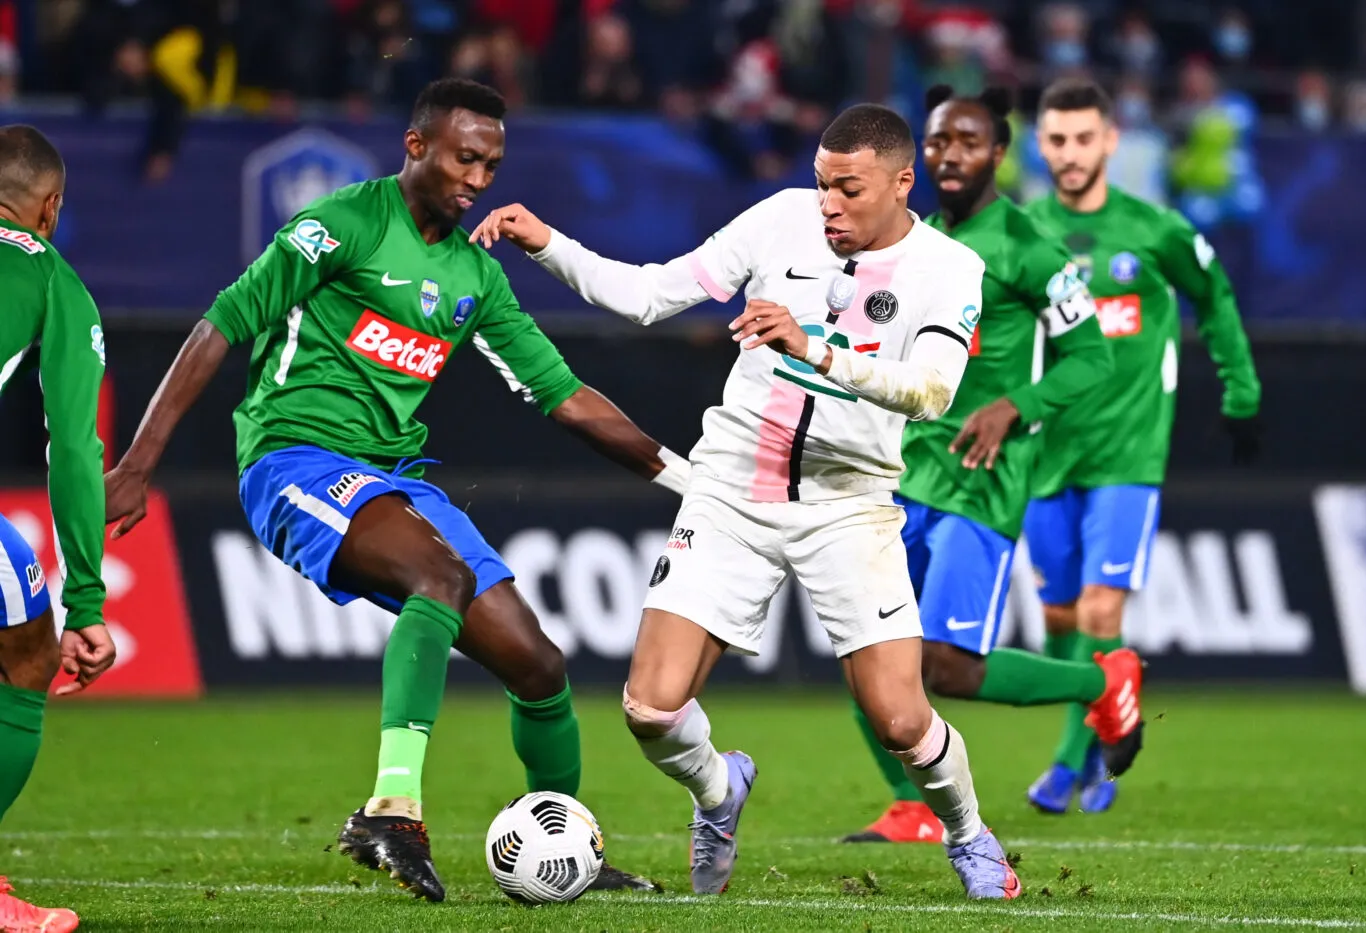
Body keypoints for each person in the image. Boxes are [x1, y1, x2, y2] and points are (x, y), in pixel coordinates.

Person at [102, 79, 683, 903]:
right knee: (438, 579)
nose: (479, 178)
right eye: (464, 157)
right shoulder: (340, 224)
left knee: (539, 664)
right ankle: (392, 808)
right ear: (416, 146)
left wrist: (689, 478)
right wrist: (138, 462)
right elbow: (221, 323)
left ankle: (566, 843)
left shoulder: (476, 273)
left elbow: (567, 395)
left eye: (491, 163)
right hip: (292, 458)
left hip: (393, 474)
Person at [471, 103, 1033, 900]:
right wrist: (548, 244)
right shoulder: (781, 220)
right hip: (733, 487)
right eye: (819, 183)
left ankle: (971, 836)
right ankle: (717, 792)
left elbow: (933, 392)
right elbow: (649, 295)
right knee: (650, 708)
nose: (828, 203)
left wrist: (815, 348)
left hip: (849, 502)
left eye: (848, 188)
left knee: (903, 722)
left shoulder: (948, 267)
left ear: (902, 183)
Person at [841, 86, 1143, 846]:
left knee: (944, 666)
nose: (950, 154)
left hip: (982, 476)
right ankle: (912, 807)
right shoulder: (910, 242)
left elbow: (1093, 359)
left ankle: (1102, 681)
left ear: (998, 154)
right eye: (939, 140)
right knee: (861, 647)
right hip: (904, 472)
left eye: (968, 142)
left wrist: (1017, 404)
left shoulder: (1031, 249)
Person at [1021, 76, 1261, 814]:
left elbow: (1215, 296)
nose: (1069, 153)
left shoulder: (1156, 230)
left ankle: (1069, 759)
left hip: (1128, 452)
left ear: (1110, 140)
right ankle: (1102, 730)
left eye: (1083, 138)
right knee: (1061, 617)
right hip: (1046, 454)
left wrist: (1241, 390)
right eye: (1056, 139)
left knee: (1099, 609)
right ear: (1041, 143)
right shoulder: (1021, 232)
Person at [0, 124, 119, 933]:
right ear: (51, 207)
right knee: (31, 651)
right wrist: (85, 599)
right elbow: (76, 449)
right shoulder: (52, 278)